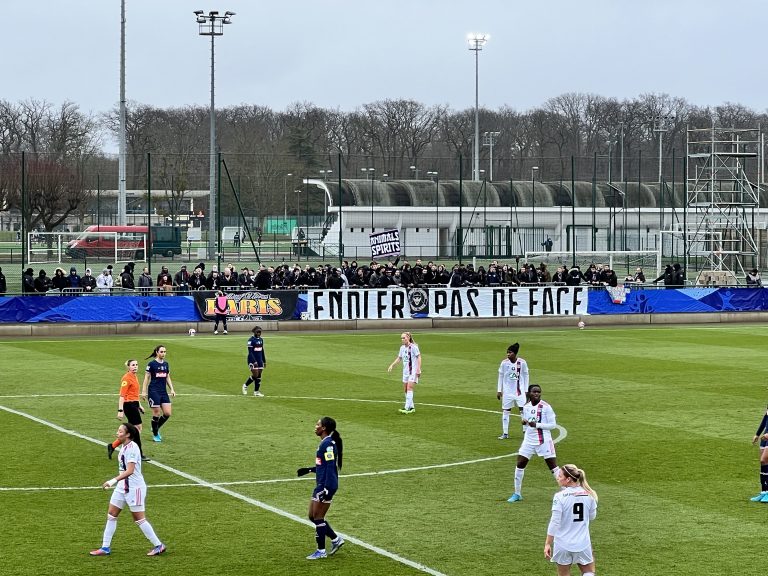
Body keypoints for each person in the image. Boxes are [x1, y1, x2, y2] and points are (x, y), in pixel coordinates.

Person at [89, 422, 166, 557]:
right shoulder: (124, 447)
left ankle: (159, 545)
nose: (117, 433)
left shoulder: (133, 448)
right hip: (122, 486)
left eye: (120, 432)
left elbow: (130, 471)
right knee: (111, 515)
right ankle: (105, 547)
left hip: (134, 488)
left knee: (139, 519)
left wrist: (112, 481)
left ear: (128, 434)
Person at [296, 416, 345, 560]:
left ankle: (321, 551)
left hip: (326, 486)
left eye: (317, 424)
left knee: (318, 518)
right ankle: (336, 540)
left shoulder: (328, 444)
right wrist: (309, 470)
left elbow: (330, 467)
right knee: (312, 516)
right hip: (321, 484)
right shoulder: (324, 443)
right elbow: (323, 466)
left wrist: (328, 489)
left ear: (323, 428)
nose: (315, 426)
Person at [508, 384, 560, 502]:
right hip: (529, 440)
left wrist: (537, 425)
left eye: (538, 392)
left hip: (544, 441)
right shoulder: (526, 407)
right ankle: (517, 494)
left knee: (553, 467)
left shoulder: (546, 407)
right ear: (529, 393)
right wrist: (525, 423)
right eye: (534, 392)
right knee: (520, 464)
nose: (536, 394)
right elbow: (527, 423)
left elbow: (552, 425)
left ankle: (566, 490)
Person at [544, 464, 598, 576]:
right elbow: (592, 516)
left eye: (560, 476)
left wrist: (548, 543)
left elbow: (555, 521)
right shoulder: (589, 494)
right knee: (588, 572)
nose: (557, 478)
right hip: (583, 544)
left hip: (563, 544)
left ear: (568, 479)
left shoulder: (559, 496)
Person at [107, 360, 146, 461]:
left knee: (132, 430)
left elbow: (134, 393)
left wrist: (139, 405)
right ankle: (138, 453)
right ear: (128, 367)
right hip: (128, 405)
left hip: (134, 404)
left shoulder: (134, 376)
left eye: (137, 365)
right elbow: (122, 395)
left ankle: (113, 446)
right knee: (137, 429)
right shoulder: (126, 378)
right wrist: (120, 410)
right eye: (133, 365)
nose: (135, 367)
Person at [141, 345, 176, 443]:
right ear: (157, 352)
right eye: (161, 352)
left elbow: (167, 377)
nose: (163, 353)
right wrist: (144, 391)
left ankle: (155, 427)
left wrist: (172, 389)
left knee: (167, 413)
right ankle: (155, 434)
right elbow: (146, 378)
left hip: (163, 391)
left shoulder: (166, 364)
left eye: (165, 352)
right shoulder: (151, 364)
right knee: (157, 413)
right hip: (153, 391)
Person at [497, 343, 529, 439]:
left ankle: (525, 431)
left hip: (520, 391)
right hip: (507, 392)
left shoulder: (522, 362)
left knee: (523, 410)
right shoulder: (504, 363)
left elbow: (526, 375)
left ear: (515, 354)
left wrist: (526, 389)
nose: (508, 354)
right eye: (507, 353)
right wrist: (499, 390)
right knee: (506, 411)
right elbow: (501, 376)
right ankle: (505, 433)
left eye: (510, 353)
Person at [388, 332, 421, 414]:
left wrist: (418, 369)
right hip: (405, 372)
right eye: (401, 338)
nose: (402, 339)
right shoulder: (402, 348)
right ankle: (412, 407)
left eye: (404, 338)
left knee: (410, 388)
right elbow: (399, 358)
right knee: (406, 390)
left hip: (413, 371)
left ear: (408, 338)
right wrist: (392, 365)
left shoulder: (413, 347)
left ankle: (406, 408)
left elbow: (419, 357)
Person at [750, 405, 768, 502]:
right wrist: (757, 434)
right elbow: (766, 418)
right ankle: (764, 492)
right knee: (763, 463)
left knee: (764, 459)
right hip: (765, 436)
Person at [242, 326, 267, 397]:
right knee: (255, 374)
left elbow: (262, 351)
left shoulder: (261, 340)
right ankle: (245, 385)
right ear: (254, 332)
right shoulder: (251, 340)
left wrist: (264, 361)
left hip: (260, 360)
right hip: (252, 360)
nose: (259, 333)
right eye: (258, 332)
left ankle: (256, 392)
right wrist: (254, 361)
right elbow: (250, 352)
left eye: (260, 332)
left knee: (259, 375)